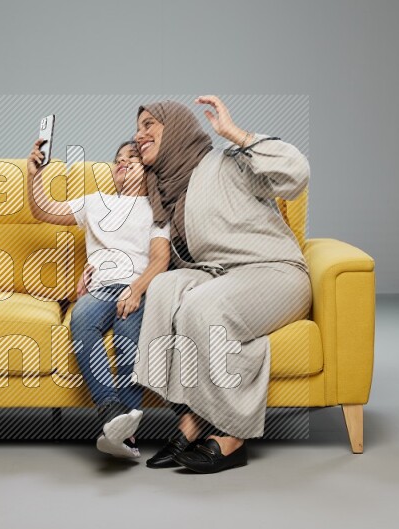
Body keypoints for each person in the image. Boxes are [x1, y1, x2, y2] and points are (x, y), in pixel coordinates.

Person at [132, 96, 313, 473]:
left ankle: (232, 435)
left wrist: (237, 135)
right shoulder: (165, 191)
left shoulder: (226, 162)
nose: (139, 135)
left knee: (203, 308)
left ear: (176, 129)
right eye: (137, 128)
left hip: (274, 272)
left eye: (149, 125)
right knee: (163, 291)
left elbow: (295, 174)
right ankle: (189, 418)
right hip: (223, 275)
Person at [26, 140, 170, 459]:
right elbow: (42, 210)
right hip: (101, 288)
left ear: (148, 167)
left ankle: (126, 436)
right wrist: (33, 175)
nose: (122, 162)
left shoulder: (157, 210)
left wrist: (136, 290)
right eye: (118, 159)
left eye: (132, 157)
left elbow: (160, 259)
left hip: (140, 286)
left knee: (127, 332)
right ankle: (110, 410)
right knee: (81, 318)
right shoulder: (95, 202)